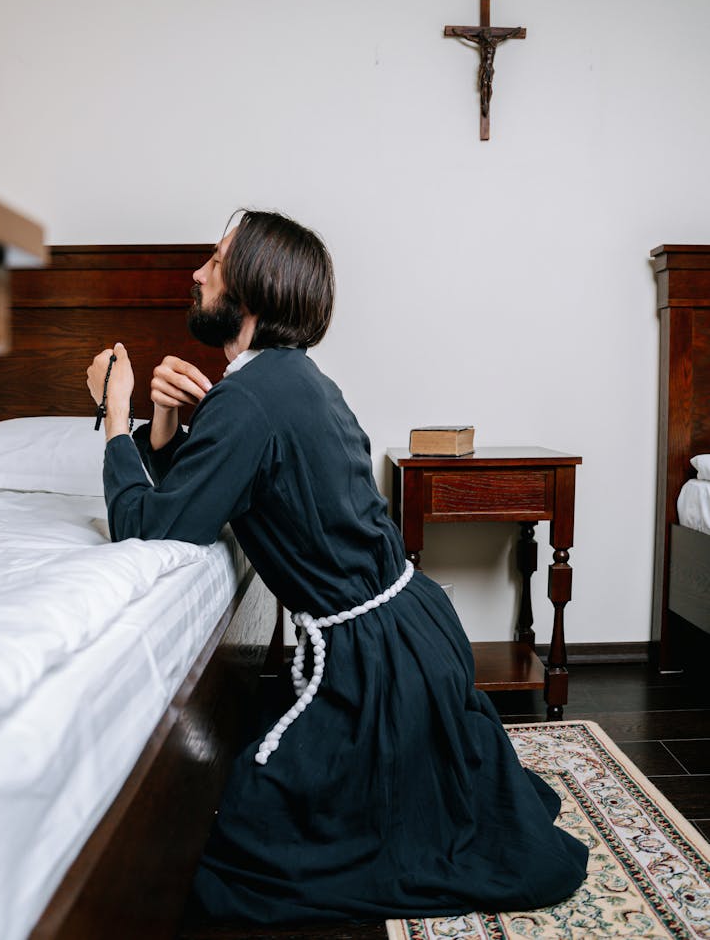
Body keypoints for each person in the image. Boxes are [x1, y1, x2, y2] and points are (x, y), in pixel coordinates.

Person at [86, 210, 588, 926]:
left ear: (253, 288)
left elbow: (144, 525)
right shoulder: (292, 381)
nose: (196, 274)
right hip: (417, 635)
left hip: (371, 670)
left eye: (216, 261)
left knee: (240, 854)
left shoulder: (249, 401)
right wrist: (163, 429)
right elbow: (195, 497)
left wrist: (113, 412)